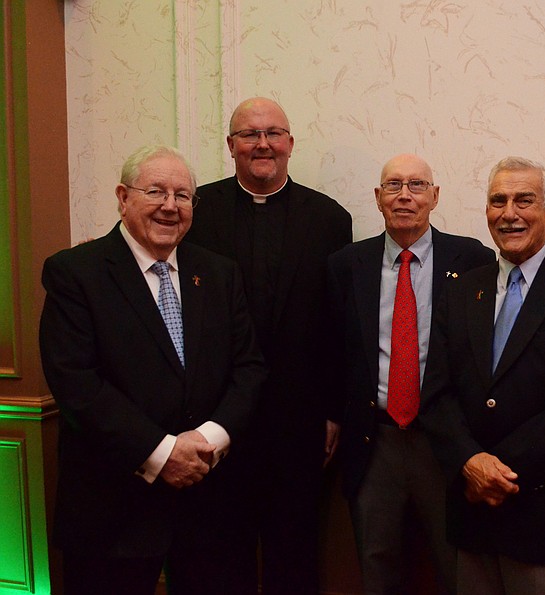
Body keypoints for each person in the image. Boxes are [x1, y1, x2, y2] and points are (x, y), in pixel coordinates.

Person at [39, 145, 266, 595]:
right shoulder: (75, 273)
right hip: (114, 509)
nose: (170, 205)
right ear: (123, 197)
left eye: (183, 196)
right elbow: (76, 383)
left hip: (208, 503)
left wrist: (207, 441)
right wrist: (162, 453)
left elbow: (249, 368)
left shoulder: (219, 273)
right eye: (156, 191)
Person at [418, 156, 545, 595]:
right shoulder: (460, 290)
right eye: (497, 201)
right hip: (473, 516)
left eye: (523, 200)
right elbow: (436, 392)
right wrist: (469, 463)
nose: (509, 213)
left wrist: (498, 471)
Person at [183, 97, 352, 593]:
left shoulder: (330, 218)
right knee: (219, 555)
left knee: (294, 555)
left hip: (298, 423)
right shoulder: (197, 210)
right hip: (213, 419)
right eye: (250, 134)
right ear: (230, 145)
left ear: (291, 144)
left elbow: (336, 325)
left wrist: (333, 411)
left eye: (274, 133)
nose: (263, 144)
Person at [327, 154, 494, 593]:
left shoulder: (473, 259)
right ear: (378, 198)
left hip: (445, 439)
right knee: (376, 563)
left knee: (455, 563)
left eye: (417, 185)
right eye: (394, 185)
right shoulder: (347, 265)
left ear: (434, 197)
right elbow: (331, 350)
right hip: (374, 438)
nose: (405, 195)